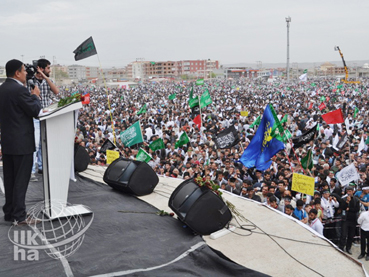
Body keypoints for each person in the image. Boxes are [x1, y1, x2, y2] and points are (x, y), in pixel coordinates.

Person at [0, 59, 41, 225]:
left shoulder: (2, 89)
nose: (26, 73)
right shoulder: (19, 90)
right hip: (22, 142)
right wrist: (35, 97)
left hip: (8, 141)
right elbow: (35, 110)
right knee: (20, 180)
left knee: (10, 180)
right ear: (17, 72)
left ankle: (9, 213)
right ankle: (20, 216)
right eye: (24, 71)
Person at [28, 59, 59, 181]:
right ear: (40, 68)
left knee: (43, 143)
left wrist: (45, 77)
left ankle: (41, 167)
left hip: (46, 116)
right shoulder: (30, 81)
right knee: (35, 143)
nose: (50, 70)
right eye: (48, 68)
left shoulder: (48, 81)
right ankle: (31, 171)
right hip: (35, 116)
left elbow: (56, 92)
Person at [339, 187, 360, 254]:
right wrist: (347, 202)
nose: (349, 192)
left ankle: (348, 248)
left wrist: (349, 209)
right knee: (343, 234)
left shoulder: (356, 200)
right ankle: (341, 247)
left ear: (353, 192)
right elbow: (342, 207)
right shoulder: (344, 199)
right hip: (345, 219)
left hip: (353, 220)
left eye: (350, 191)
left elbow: (356, 209)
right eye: (347, 191)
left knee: (351, 235)